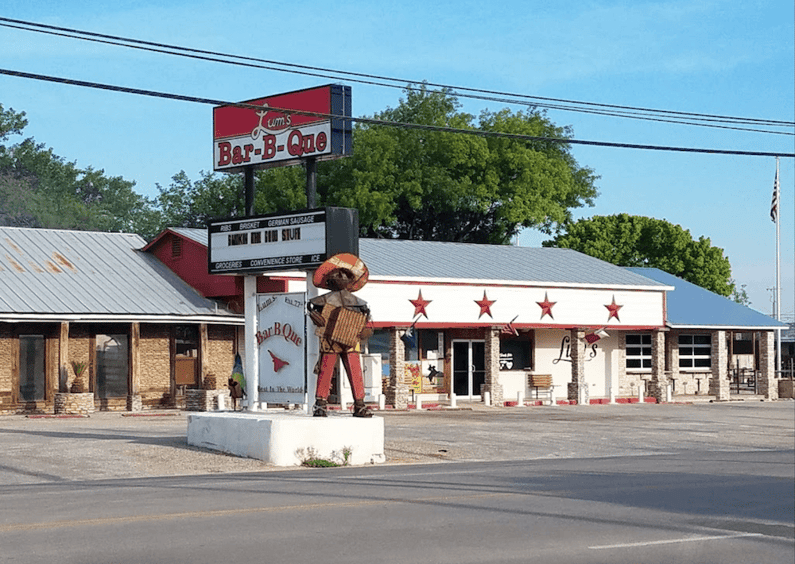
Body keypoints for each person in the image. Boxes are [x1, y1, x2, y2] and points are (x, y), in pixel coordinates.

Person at [308, 253, 373, 418]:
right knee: (332, 369)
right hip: (339, 339)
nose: (341, 278)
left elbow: (366, 318)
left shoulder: (325, 301)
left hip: (344, 339)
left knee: (348, 370)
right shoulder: (357, 303)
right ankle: (327, 404)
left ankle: (326, 405)